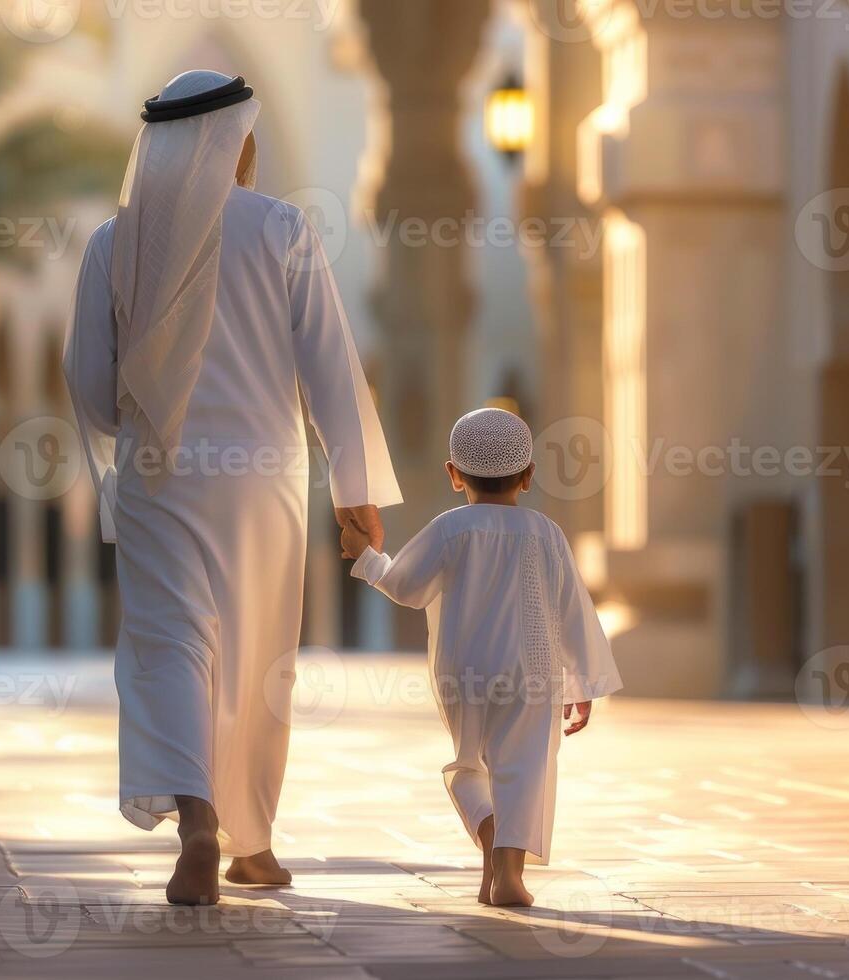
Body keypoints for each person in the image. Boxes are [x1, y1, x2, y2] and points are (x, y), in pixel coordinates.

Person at [64, 69, 400, 906]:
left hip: (158, 476)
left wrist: (138, 418)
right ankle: (253, 843)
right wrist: (354, 490)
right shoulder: (283, 228)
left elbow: (88, 380)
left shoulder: (114, 242)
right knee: (256, 653)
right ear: (233, 143)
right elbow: (331, 366)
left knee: (172, 644)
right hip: (263, 480)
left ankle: (198, 824)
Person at [339, 408, 621, 906]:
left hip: (464, 673)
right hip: (533, 673)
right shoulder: (547, 533)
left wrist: (365, 557)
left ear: (453, 474)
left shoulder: (451, 528)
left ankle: (486, 829)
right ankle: (509, 874)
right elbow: (573, 609)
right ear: (529, 475)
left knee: (469, 765)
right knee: (523, 769)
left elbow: (405, 585)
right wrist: (581, 683)